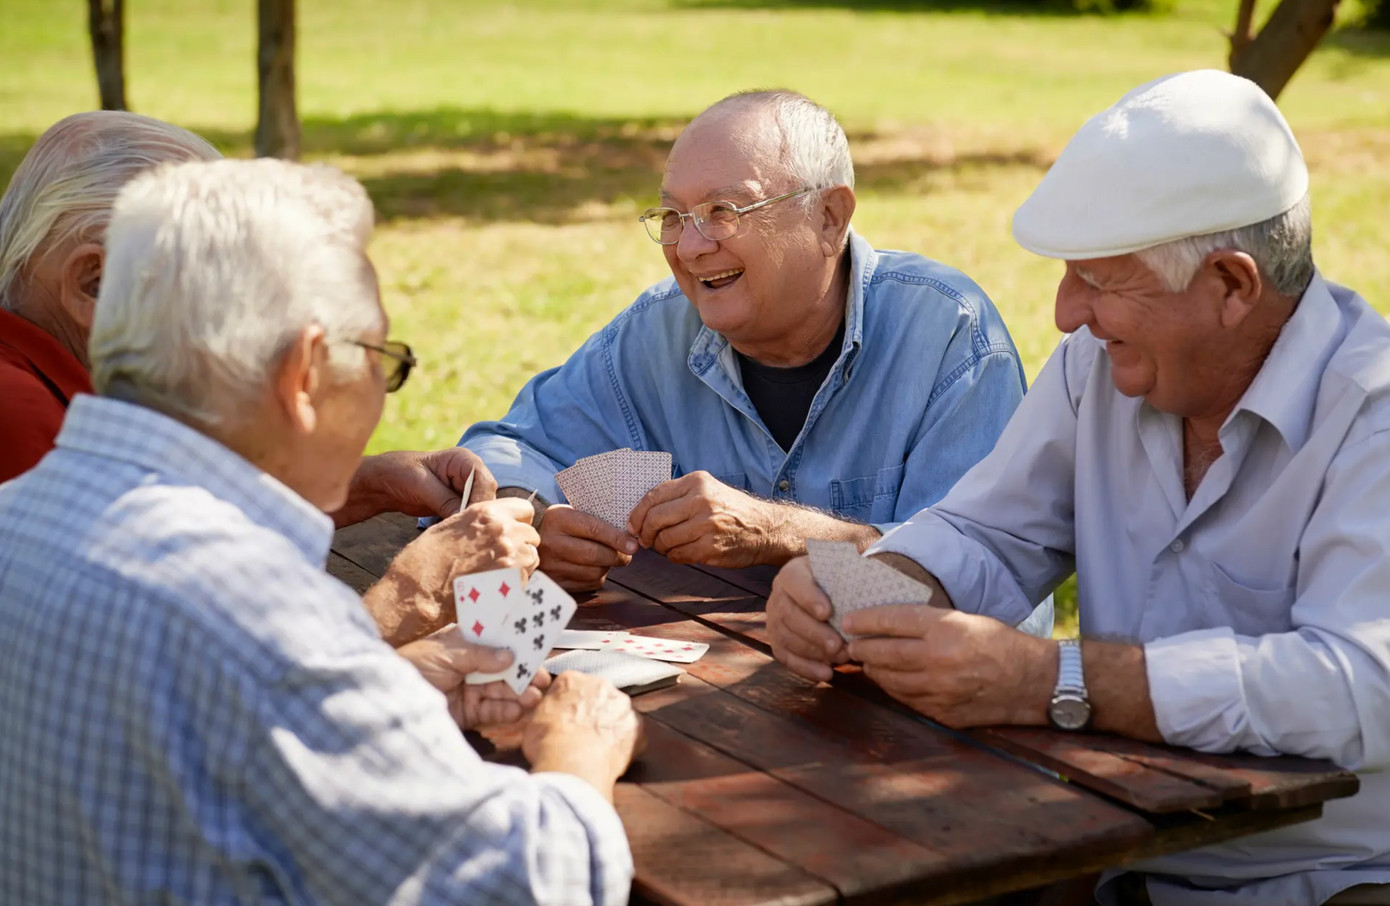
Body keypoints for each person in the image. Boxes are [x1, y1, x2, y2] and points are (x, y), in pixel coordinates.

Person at [766, 70, 1390, 905]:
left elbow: (1359, 686)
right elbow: (988, 532)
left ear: (1232, 286)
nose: (1065, 313)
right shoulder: (1097, 368)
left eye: (1100, 281)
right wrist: (853, 590)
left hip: (1332, 878)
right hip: (1114, 847)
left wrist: (1054, 680)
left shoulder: (1373, 414)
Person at [0, 158, 641, 905]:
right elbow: (527, 884)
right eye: (381, 361)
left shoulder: (20, 514)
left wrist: (389, 691)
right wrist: (579, 747)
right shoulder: (261, 611)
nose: (380, 394)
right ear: (305, 373)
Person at [458, 90, 1037, 607]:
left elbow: (979, 582)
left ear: (829, 218)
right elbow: (503, 450)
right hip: (706, 683)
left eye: (723, 212)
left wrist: (780, 535)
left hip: (894, 688)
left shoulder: (948, 335)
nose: (689, 247)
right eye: (673, 216)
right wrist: (532, 519)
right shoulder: (657, 331)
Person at [0, 111, 493, 534]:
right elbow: (165, 589)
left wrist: (367, 484)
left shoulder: (71, 385)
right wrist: (414, 591)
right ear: (95, 283)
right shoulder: (22, 418)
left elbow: (184, 510)